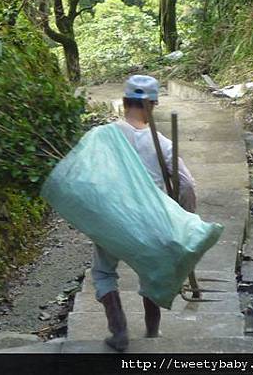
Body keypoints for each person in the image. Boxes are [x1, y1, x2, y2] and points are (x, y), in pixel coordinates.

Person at [92, 74, 197, 352]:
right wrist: (184, 220)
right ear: (152, 105)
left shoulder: (104, 136)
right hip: (150, 220)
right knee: (152, 275)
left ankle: (119, 331)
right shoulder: (162, 144)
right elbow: (186, 185)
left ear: (125, 101)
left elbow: (89, 179)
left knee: (104, 272)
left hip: (112, 218)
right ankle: (152, 333)